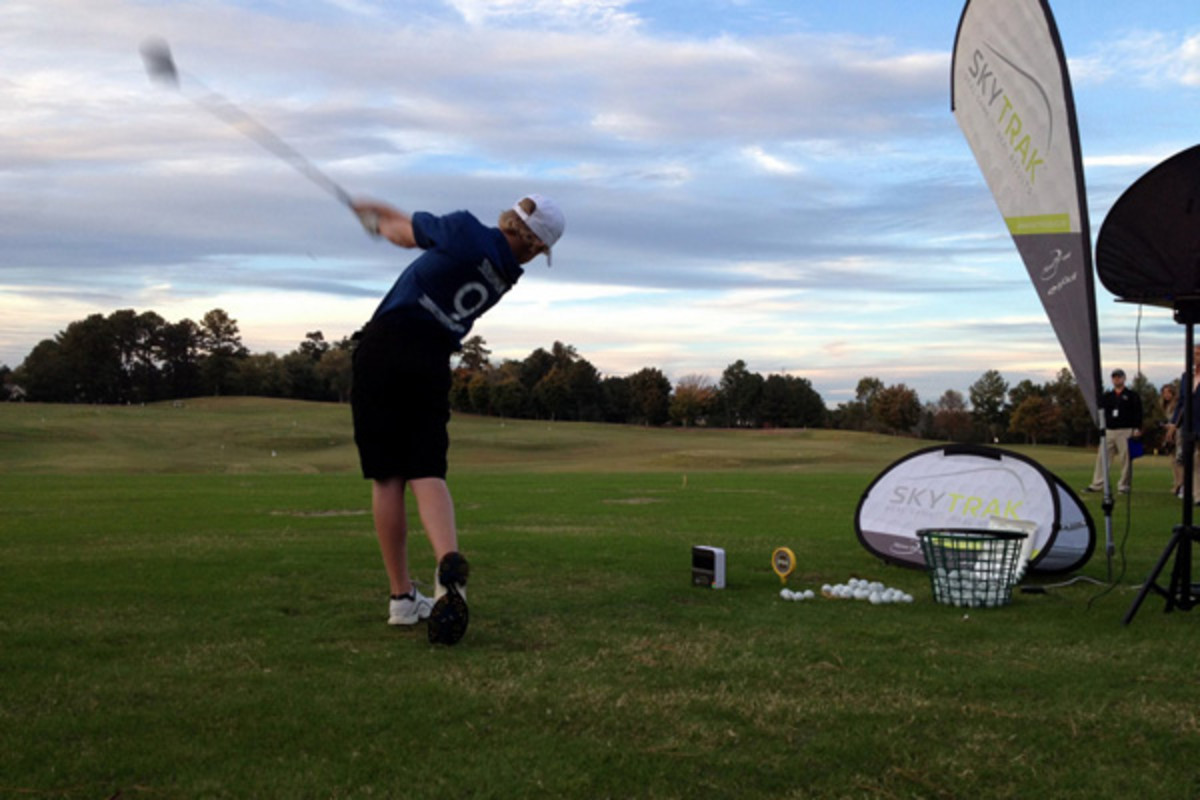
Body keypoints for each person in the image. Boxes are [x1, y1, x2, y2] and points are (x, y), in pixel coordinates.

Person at [348, 193, 565, 645]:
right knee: (426, 470)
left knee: (387, 476)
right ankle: (448, 563)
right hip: (430, 358)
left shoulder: (467, 230)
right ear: (536, 247)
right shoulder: (506, 276)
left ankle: (402, 599)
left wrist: (374, 214)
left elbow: (404, 233)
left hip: (386, 346)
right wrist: (384, 216)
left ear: (510, 219)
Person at [1087, 368, 1142, 495]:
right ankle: (1097, 484)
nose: (1117, 379)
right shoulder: (1107, 397)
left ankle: (1124, 485)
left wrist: (1137, 428)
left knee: (1126, 459)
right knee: (1103, 458)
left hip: (1126, 430)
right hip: (1110, 430)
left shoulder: (1132, 395)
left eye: (1119, 377)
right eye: (1114, 377)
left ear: (1124, 378)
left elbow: (1138, 413)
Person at [1161, 382, 1182, 496]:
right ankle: (1177, 483)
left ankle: (1180, 484)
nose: (1166, 395)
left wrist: (1170, 431)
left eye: (1168, 392)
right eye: (1164, 392)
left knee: (1178, 460)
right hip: (1171, 433)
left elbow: (1176, 421)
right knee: (1173, 460)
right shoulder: (1166, 406)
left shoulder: (1176, 405)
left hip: (1177, 433)